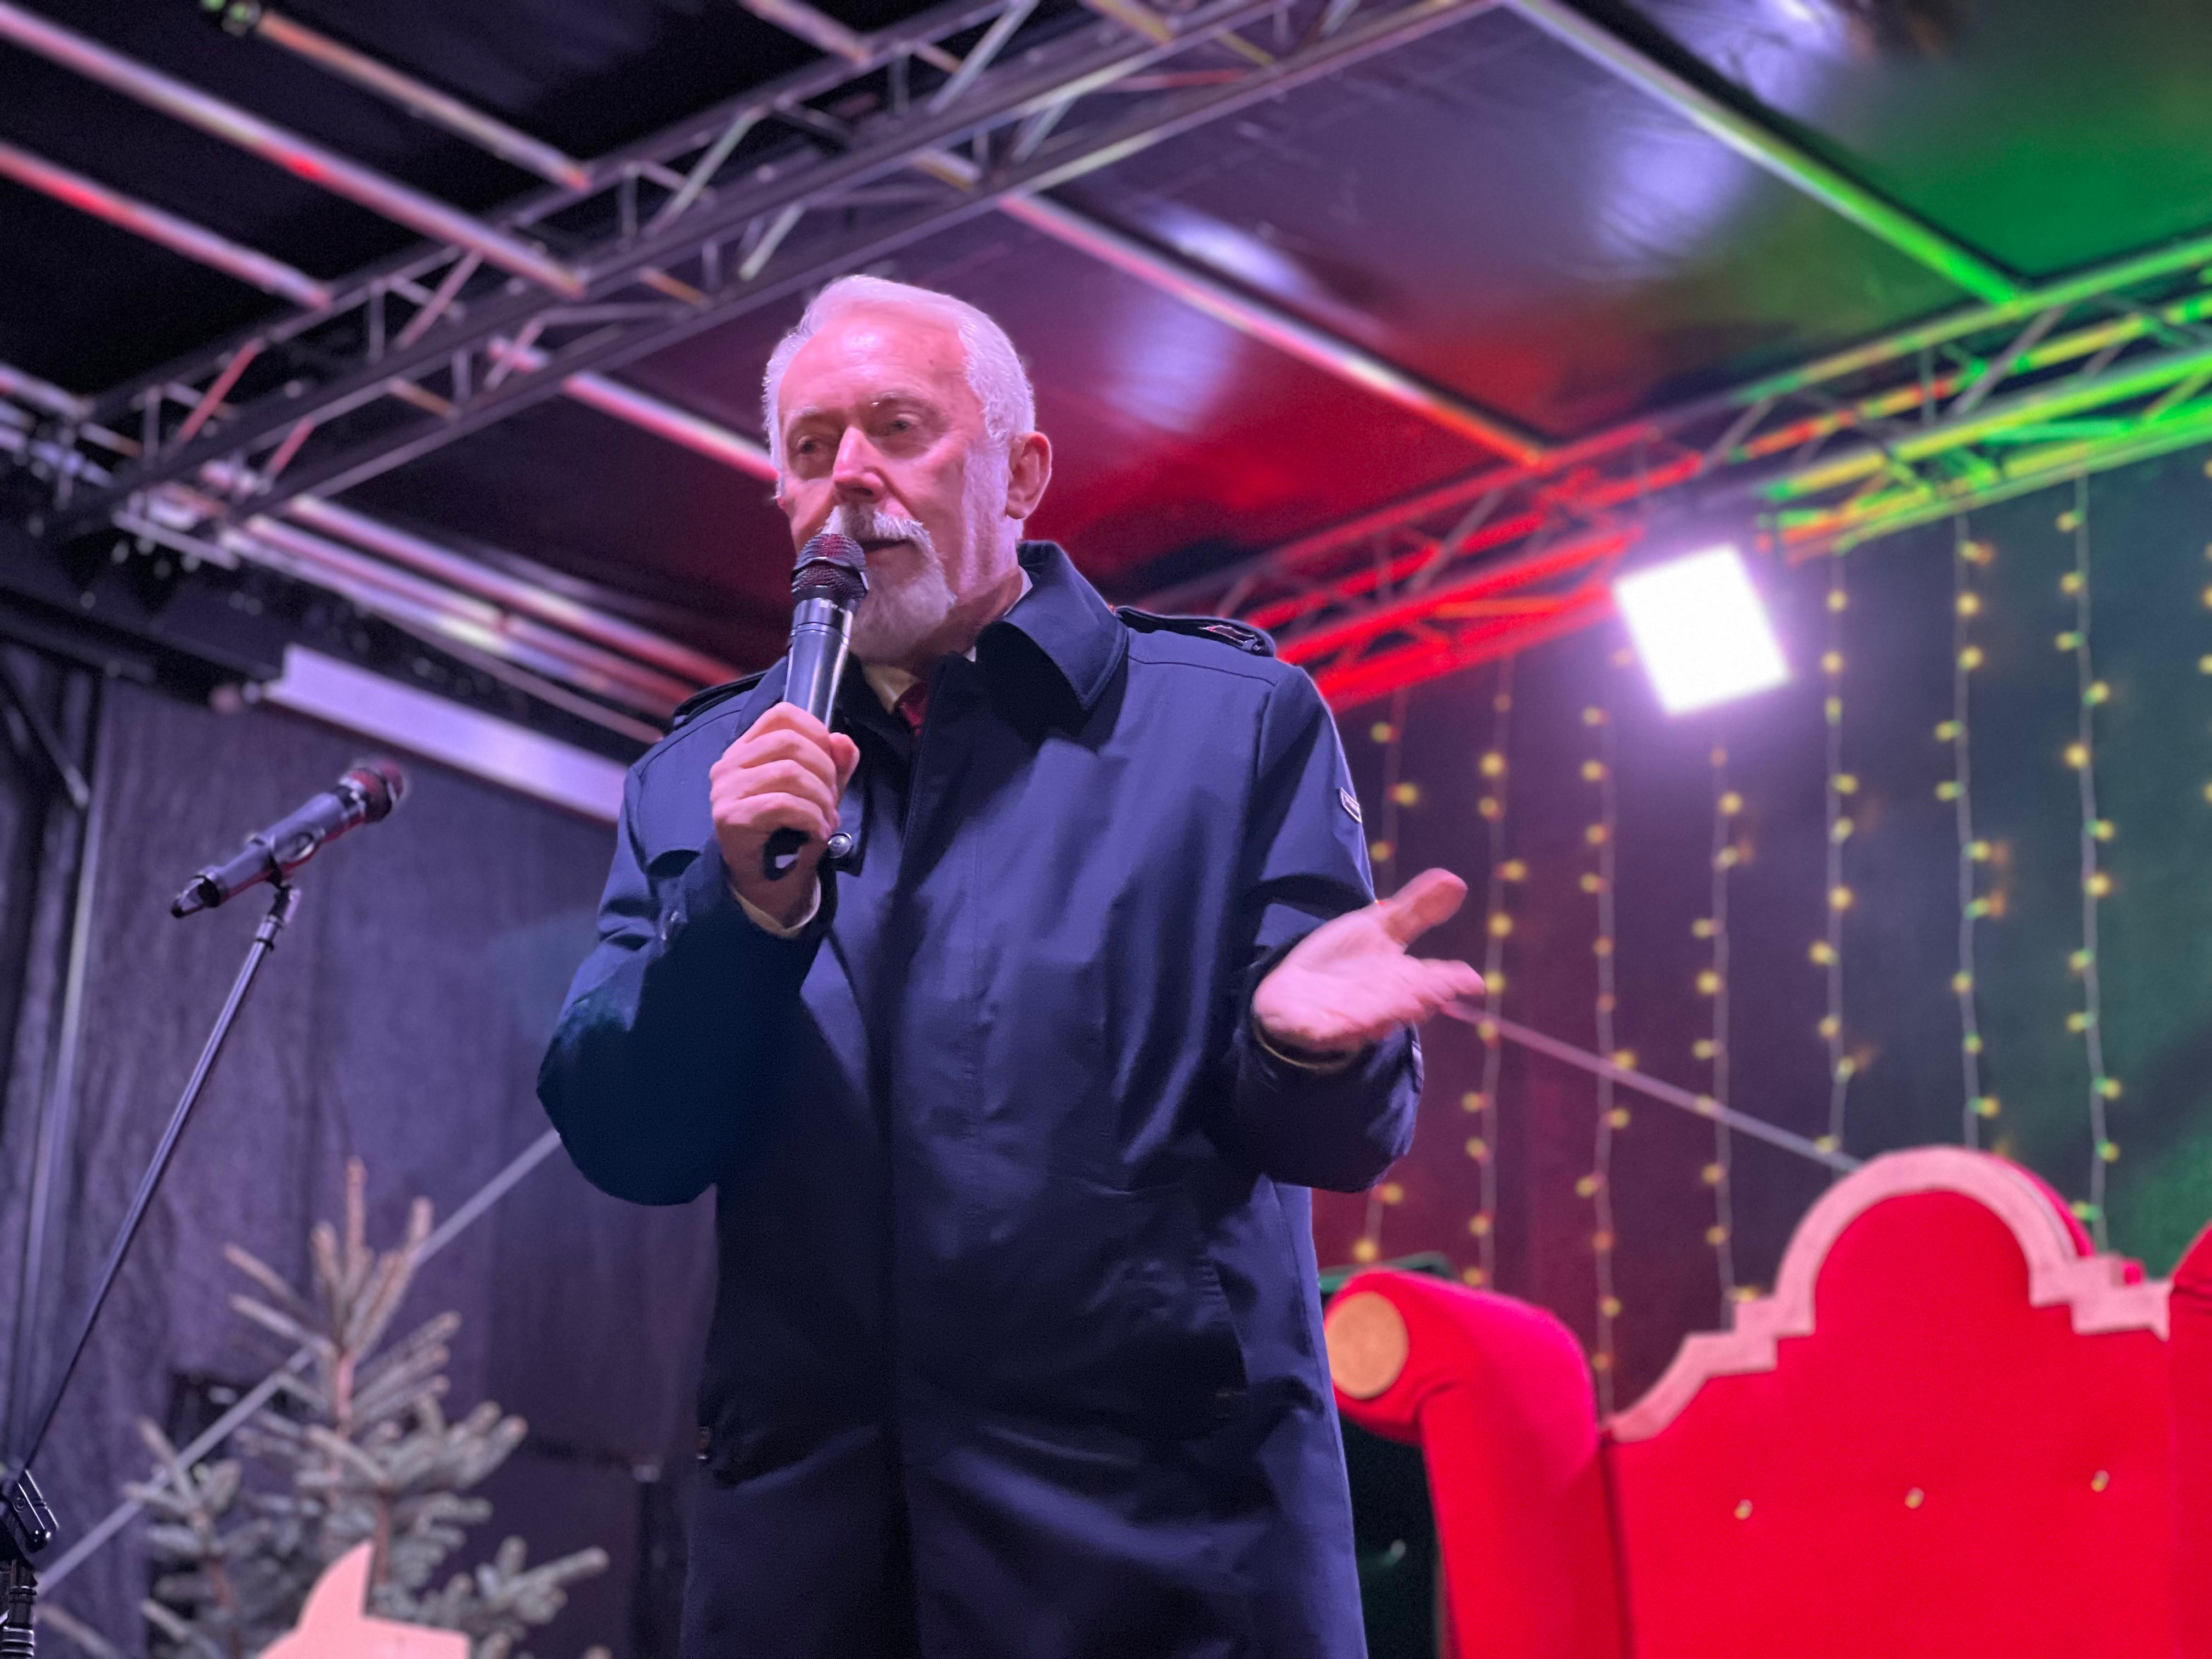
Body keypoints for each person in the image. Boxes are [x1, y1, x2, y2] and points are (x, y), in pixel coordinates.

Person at [538, 274, 1482, 1658]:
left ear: (1022, 474)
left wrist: (1303, 1042)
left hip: (1157, 1560)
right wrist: (738, 911)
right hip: (814, 1572)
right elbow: (628, 1138)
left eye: (898, 429)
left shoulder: (1227, 727)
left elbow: (1341, 1140)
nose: (851, 477)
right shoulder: (703, 783)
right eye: (811, 448)